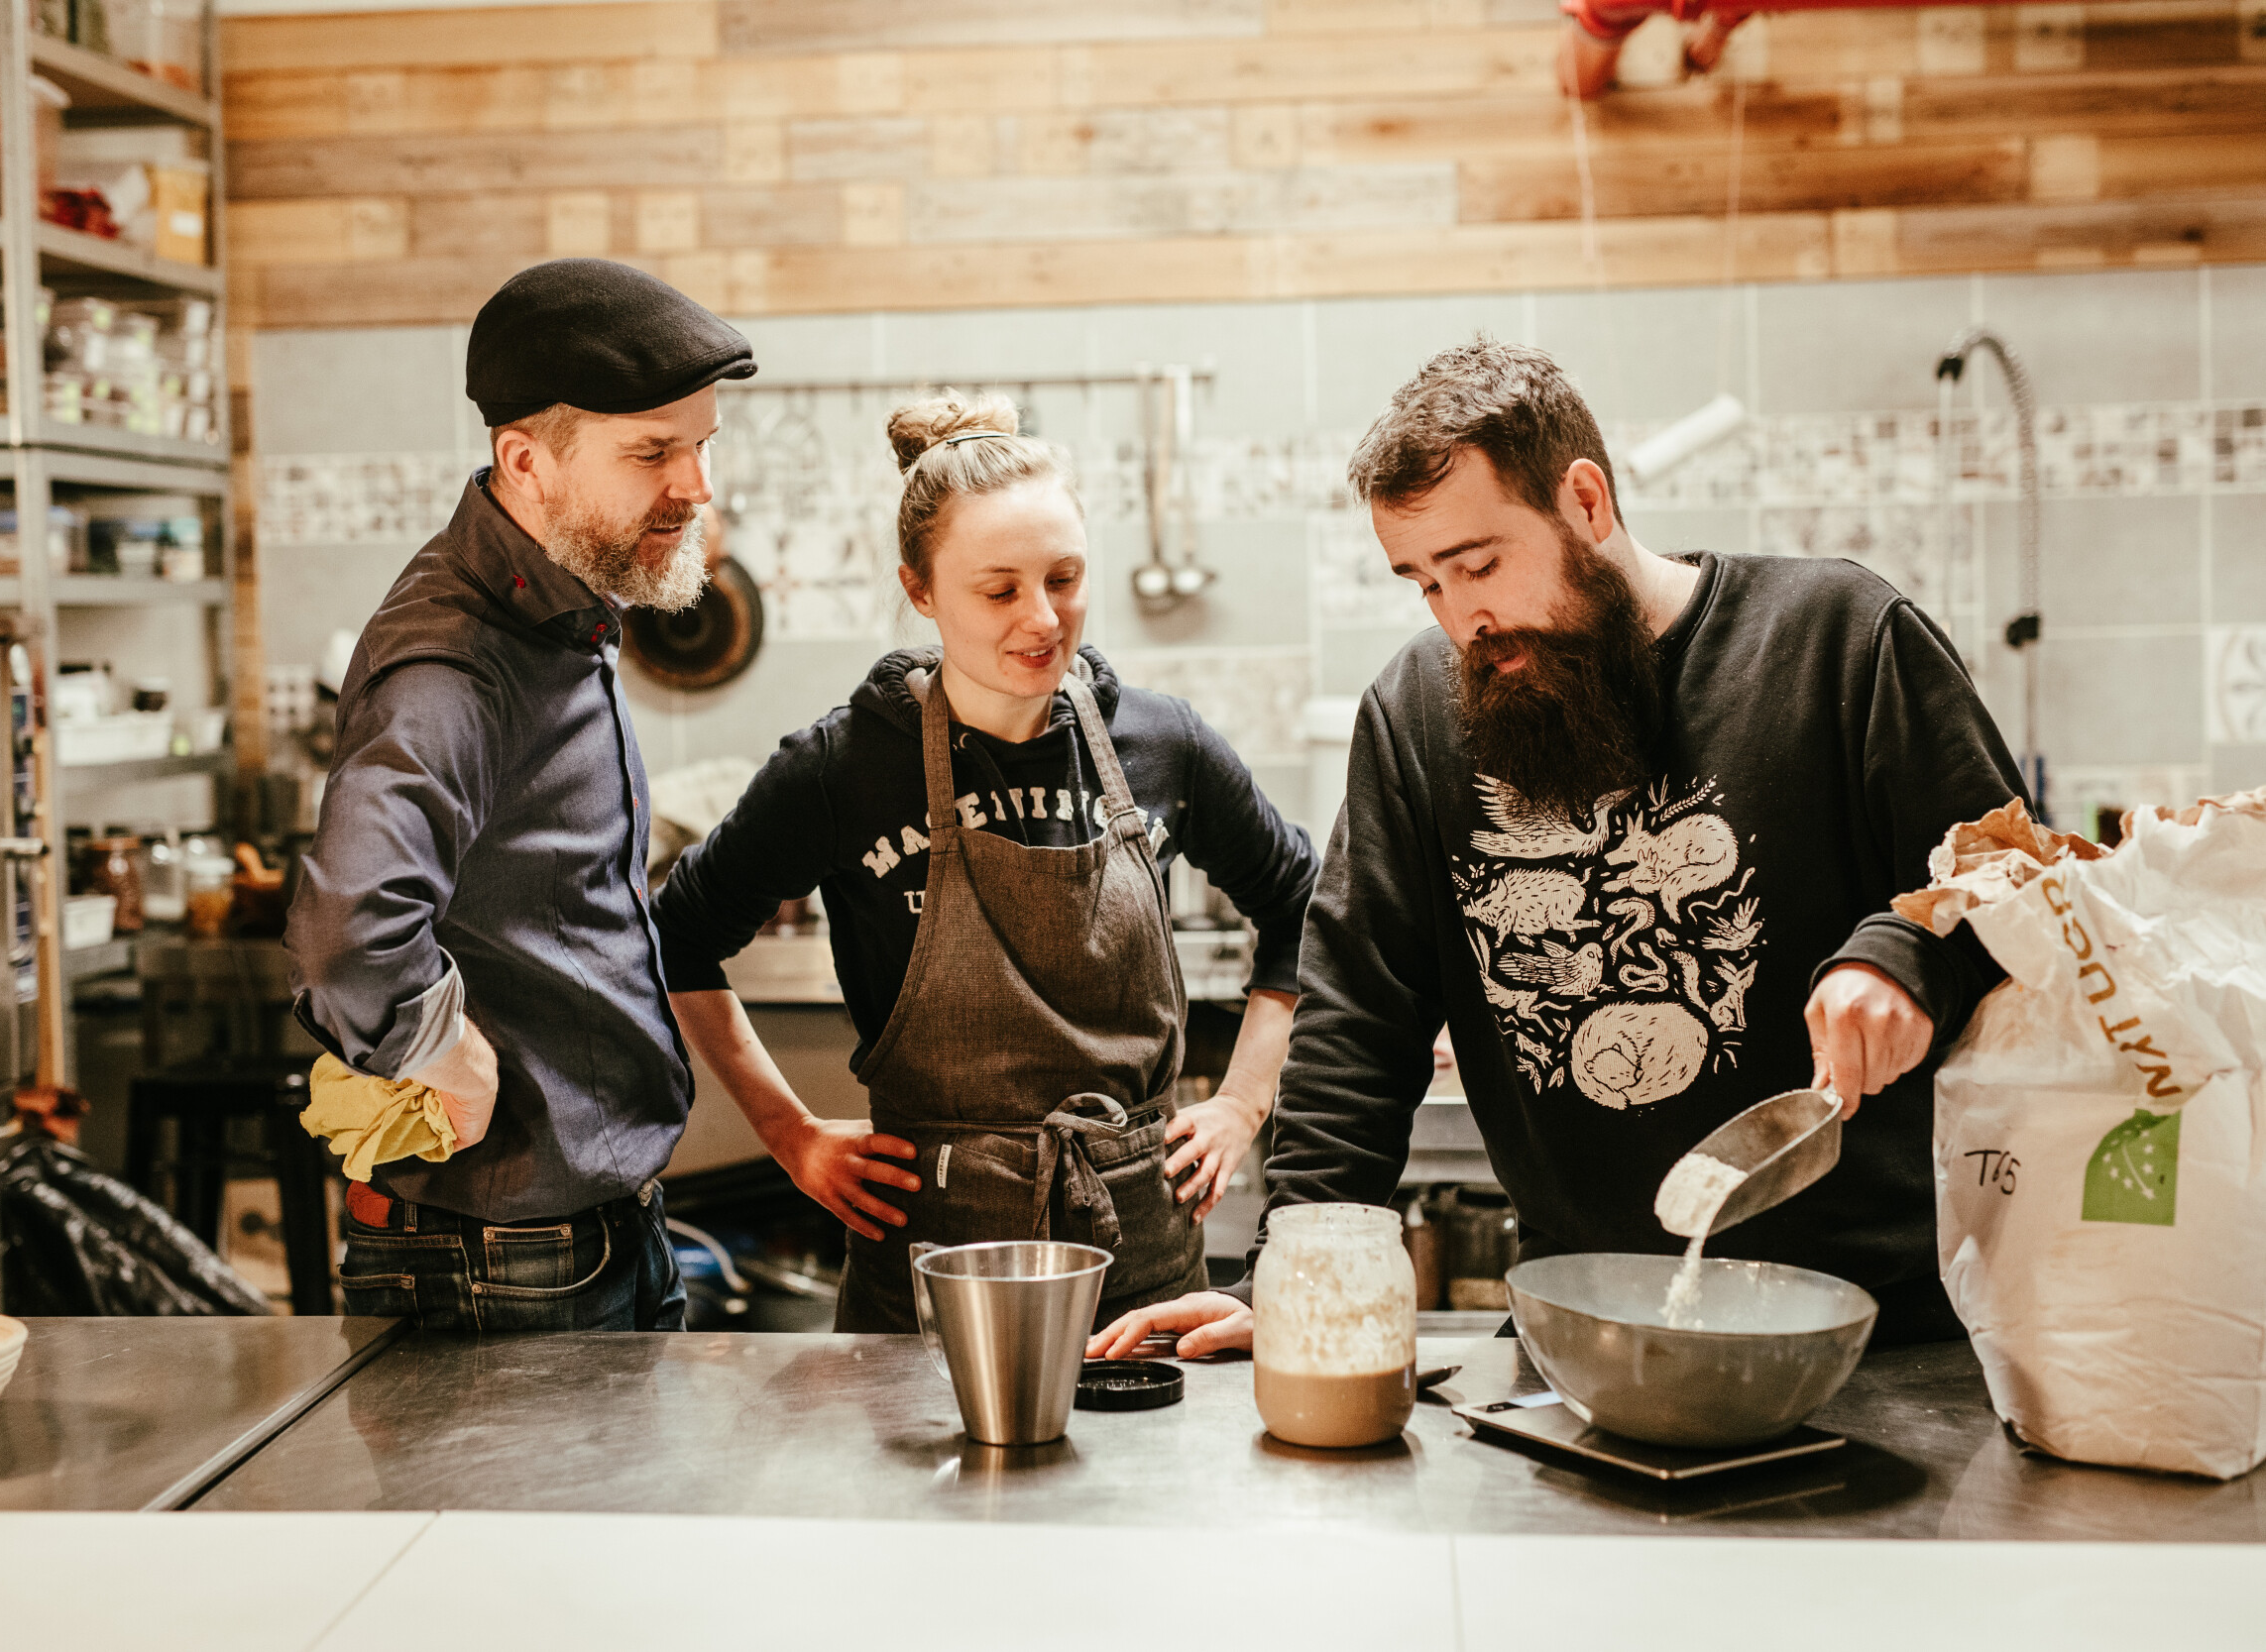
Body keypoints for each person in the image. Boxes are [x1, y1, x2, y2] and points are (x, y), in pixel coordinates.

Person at [1090, 337, 2024, 1361]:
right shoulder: (1415, 715)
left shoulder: (1836, 639)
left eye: (1479, 563)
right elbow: (1359, 1019)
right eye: (1424, 582)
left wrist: (1910, 949)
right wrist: (1292, 1268)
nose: (1463, 618)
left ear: (1586, 501)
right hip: (1585, 1337)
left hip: (1877, 1336)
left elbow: (2018, 880)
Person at [650, 393, 1321, 1333]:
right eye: (999, 589)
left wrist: (1245, 1101)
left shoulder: (1163, 744)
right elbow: (679, 938)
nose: (1042, 618)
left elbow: (1307, 906)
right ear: (920, 590)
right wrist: (788, 1133)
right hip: (930, 1278)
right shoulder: (846, 767)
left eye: (1066, 577)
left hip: (1147, 1282)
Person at [284, 259, 756, 1333]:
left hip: (585, 1236)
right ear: (524, 460)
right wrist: (437, 1048)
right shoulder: (454, 662)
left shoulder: (562, 607)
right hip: (502, 1263)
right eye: (652, 452)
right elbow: (346, 938)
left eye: (701, 446)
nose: (696, 487)